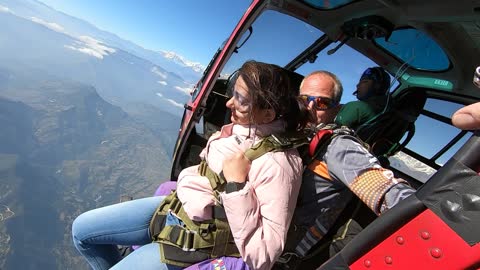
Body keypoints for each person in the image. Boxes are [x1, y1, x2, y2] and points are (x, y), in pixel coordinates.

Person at [71, 60, 311, 270]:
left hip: (196, 240)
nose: (228, 104)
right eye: (233, 93)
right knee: (81, 231)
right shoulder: (240, 132)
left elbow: (264, 256)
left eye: (240, 99)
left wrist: (236, 186)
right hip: (174, 208)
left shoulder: (279, 164)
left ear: (267, 115)